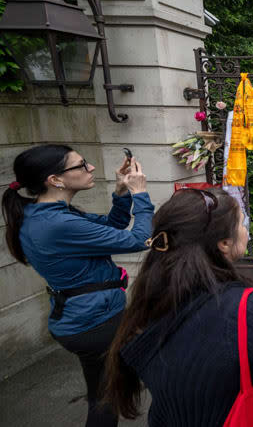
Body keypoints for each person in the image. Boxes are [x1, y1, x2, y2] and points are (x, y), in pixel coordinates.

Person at [104, 189, 253, 425]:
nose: (246, 230)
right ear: (225, 243)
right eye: (241, 223)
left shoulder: (152, 300)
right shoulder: (250, 308)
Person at [1, 145, 152, 427]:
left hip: (81, 320)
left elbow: (112, 230)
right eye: (81, 165)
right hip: (96, 323)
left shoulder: (47, 214)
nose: (91, 168)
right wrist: (140, 194)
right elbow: (139, 240)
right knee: (111, 398)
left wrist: (120, 193)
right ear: (55, 180)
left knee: (105, 397)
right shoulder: (58, 223)